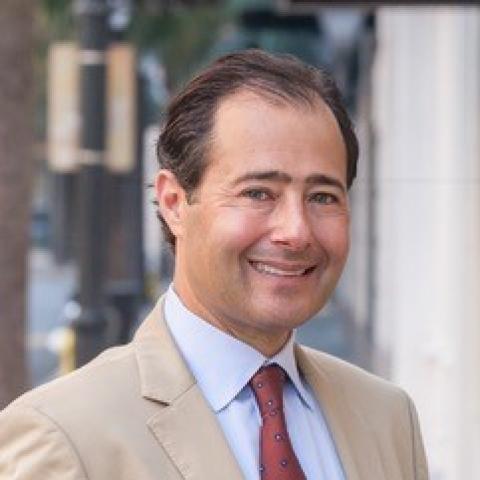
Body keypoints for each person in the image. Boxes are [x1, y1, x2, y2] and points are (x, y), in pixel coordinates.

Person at [0, 49, 428, 480]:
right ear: (174, 203)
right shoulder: (64, 439)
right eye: (258, 193)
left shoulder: (388, 419)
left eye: (322, 197)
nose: (297, 232)